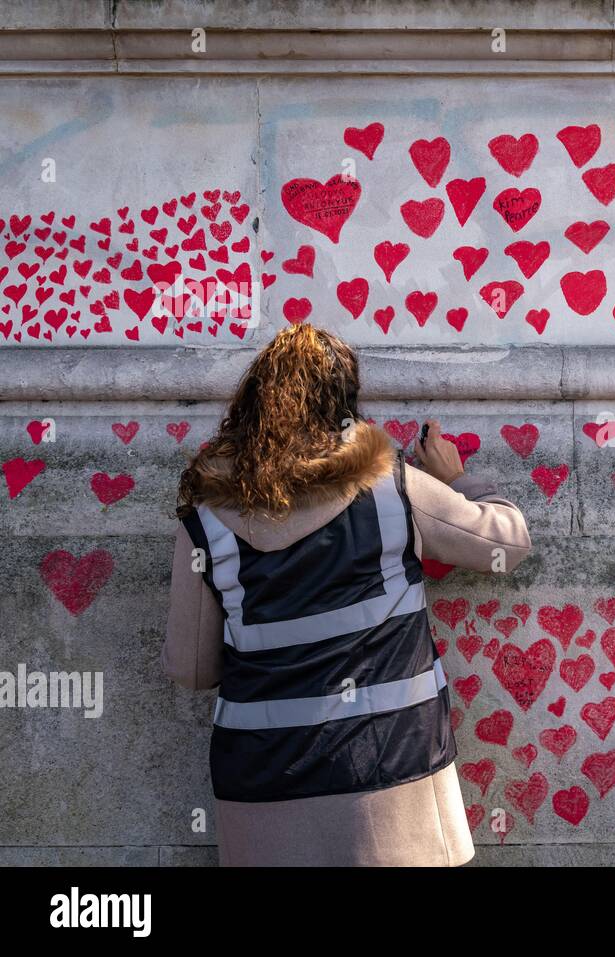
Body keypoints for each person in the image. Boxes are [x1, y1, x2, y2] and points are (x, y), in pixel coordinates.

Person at [163, 324, 531, 865]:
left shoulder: (208, 520)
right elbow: (509, 542)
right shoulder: (392, 490)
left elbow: (193, 670)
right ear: (345, 405)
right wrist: (458, 480)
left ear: (252, 406)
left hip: (263, 795)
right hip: (390, 784)